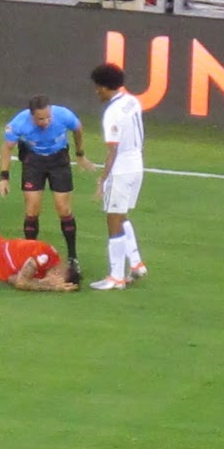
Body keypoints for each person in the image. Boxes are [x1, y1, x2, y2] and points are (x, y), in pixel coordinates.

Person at [0, 95, 95, 281]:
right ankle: (30, 256)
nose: (46, 121)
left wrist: (80, 154)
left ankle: (73, 257)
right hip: (33, 162)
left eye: (48, 117)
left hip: (59, 160)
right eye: (41, 119)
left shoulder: (64, 115)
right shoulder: (19, 123)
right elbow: (7, 148)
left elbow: (78, 128)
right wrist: (4, 177)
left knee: (63, 208)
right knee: (32, 210)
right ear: (32, 116)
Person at [88, 62, 147, 290]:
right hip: (137, 164)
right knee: (122, 215)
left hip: (121, 169)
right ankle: (136, 263)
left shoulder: (112, 113)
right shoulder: (133, 101)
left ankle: (116, 277)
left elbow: (112, 150)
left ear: (105, 87)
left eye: (98, 87)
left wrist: (103, 179)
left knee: (113, 219)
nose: (96, 91)